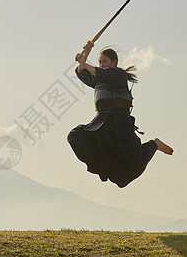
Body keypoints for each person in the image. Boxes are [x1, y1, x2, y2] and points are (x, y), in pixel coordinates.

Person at [67, 41, 173, 188]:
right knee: (75, 137)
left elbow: (98, 71)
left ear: (114, 62)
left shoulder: (118, 74)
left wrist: (84, 61)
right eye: (100, 62)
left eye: (105, 61)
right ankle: (105, 167)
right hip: (101, 123)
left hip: (120, 124)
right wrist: (87, 51)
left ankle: (154, 144)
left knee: (134, 162)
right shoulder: (99, 77)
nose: (102, 64)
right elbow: (81, 71)